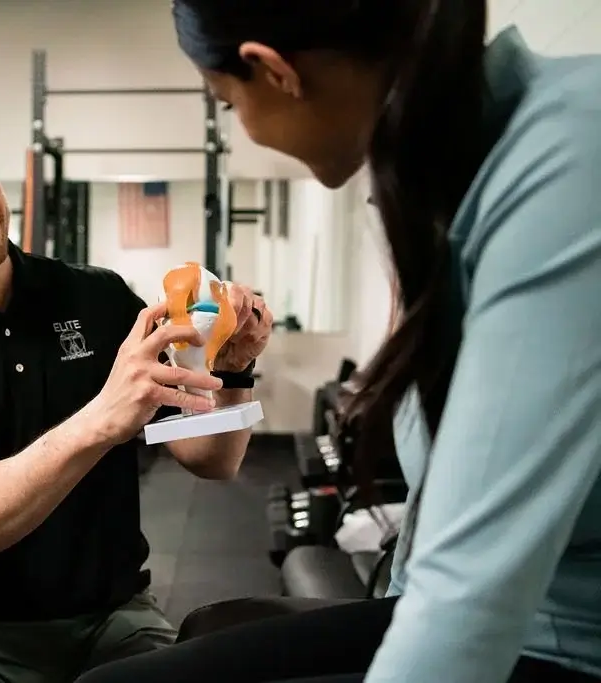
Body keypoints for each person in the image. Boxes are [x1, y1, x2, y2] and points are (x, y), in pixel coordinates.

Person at [74, 2, 601, 683]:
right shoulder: (447, 180)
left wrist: (236, 372)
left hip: (553, 635)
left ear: (273, 70)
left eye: (230, 104)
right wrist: (94, 426)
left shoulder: (549, 170)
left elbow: (213, 458)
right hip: (504, 611)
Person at [0, 94, 274, 683]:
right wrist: (103, 417)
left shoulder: (100, 298)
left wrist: (232, 371)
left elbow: (209, 459)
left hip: (115, 619)